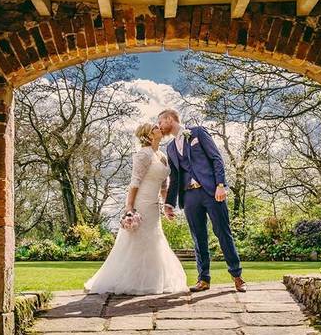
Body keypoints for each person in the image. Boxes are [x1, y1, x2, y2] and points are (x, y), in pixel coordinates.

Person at [84, 122, 188, 295]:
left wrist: (166, 206)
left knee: (154, 240)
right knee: (137, 241)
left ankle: (150, 281)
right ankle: (129, 281)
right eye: (155, 128)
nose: (159, 129)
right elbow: (134, 182)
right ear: (148, 135)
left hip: (154, 206)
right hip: (141, 203)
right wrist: (129, 208)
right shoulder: (143, 154)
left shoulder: (161, 155)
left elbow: (164, 186)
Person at [157, 109, 246, 293]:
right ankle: (203, 279)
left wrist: (220, 185)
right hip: (189, 196)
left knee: (223, 232)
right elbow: (174, 178)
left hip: (212, 192)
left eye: (160, 122)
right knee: (198, 238)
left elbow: (216, 159)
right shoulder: (171, 148)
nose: (159, 126)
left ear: (169, 119)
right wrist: (168, 204)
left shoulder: (197, 132)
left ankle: (237, 277)